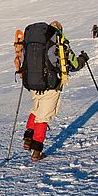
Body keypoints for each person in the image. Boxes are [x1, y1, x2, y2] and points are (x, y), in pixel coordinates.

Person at [22, 21, 88, 161]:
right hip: (50, 86)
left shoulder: (35, 42)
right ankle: (37, 150)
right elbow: (74, 64)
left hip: (33, 84)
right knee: (44, 117)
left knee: (36, 110)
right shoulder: (59, 42)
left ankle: (28, 138)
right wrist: (83, 59)